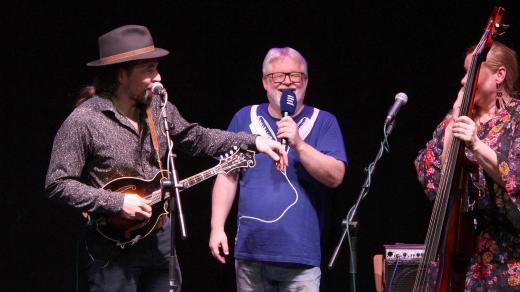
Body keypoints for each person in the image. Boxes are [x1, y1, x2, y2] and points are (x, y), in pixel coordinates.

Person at [45, 24, 287, 292]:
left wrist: (254, 140)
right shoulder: (85, 120)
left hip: (158, 240)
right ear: (122, 75)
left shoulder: (157, 108)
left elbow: (197, 138)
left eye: (156, 67)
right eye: (149, 69)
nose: (158, 77)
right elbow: (57, 183)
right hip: (110, 249)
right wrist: (117, 202)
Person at [209, 47, 347, 291]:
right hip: (252, 254)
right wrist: (217, 227)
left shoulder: (324, 121)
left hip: (300, 257)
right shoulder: (245, 117)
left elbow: (335, 176)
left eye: (295, 76)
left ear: (306, 81)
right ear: (264, 82)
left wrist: (299, 144)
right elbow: (226, 174)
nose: (287, 83)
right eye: (278, 76)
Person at [415, 41, 520, 290]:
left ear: (499, 75)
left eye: (471, 72)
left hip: (505, 263)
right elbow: (433, 179)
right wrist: (452, 126)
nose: (464, 80)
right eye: (464, 72)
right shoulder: (458, 118)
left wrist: (475, 143)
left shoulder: (516, 120)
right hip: (457, 260)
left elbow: (515, 176)